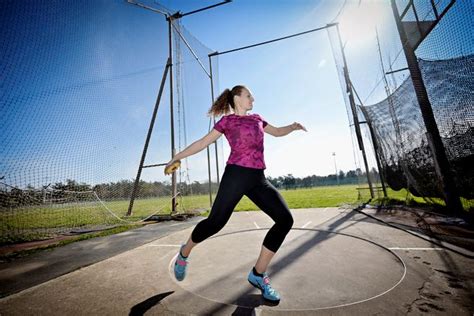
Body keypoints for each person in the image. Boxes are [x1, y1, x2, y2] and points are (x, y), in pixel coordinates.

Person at [164, 85, 307, 303]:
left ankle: (258, 275)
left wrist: (293, 127)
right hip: (236, 175)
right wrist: (178, 156)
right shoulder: (227, 122)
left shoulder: (258, 118)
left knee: (285, 219)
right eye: (249, 96)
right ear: (237, 98)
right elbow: (203, 142)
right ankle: (185, 252)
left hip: (258, 179)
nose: (253, 99)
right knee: (215, 223)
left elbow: (277, 132)